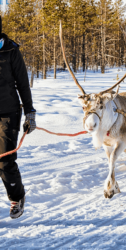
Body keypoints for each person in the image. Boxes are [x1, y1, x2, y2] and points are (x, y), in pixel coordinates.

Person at [0, 17, 36, 219]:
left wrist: (30, 112)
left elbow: (23, 83)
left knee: (4, 160)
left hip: (9, 112)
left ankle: (17, 197)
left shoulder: (10, 50)